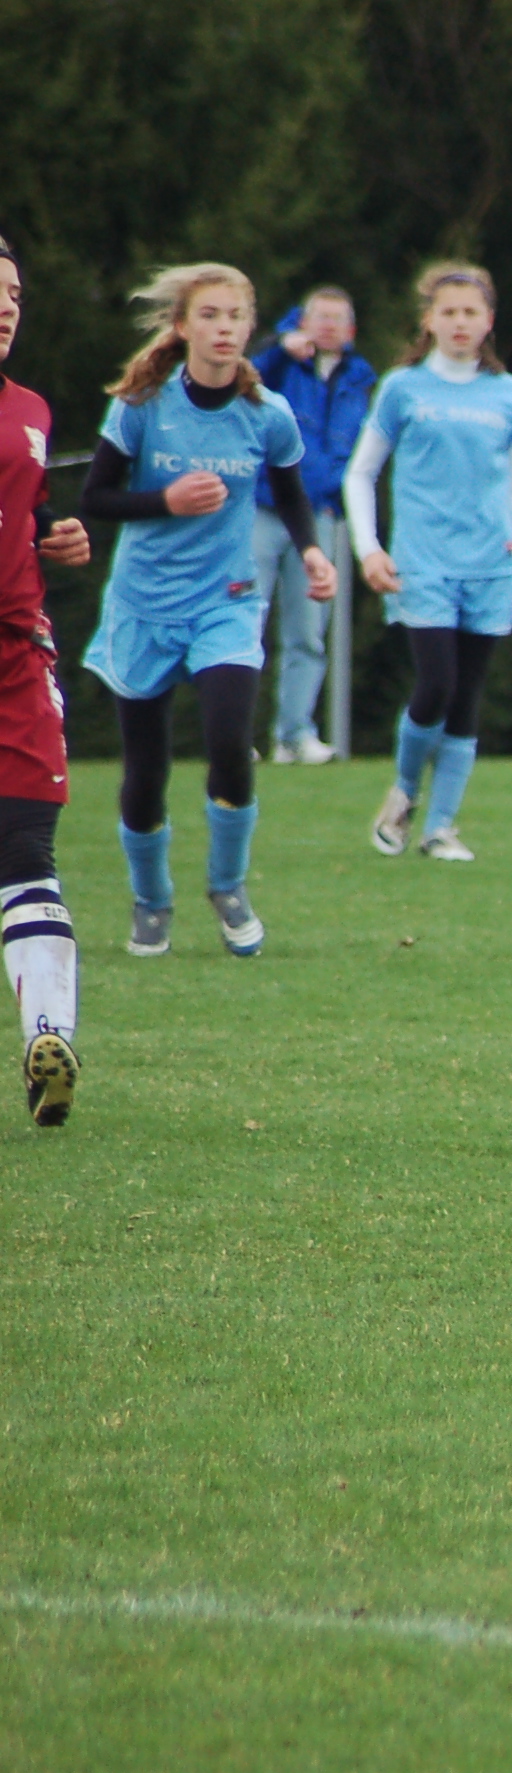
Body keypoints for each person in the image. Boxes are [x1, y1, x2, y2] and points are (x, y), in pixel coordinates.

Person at [76, 264, 336, 959]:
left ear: (251, 328)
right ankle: (150, 901)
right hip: (145, 604)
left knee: (229, 741)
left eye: (235, 316)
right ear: (183, 326)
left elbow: (292, 495)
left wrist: (312, 552)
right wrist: (166, 501)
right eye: (210, 315)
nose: (224, 328)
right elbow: (95, 498)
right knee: (146, 768)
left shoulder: (268, 414)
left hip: (226, 601)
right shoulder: (143, 405)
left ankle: (227, 886)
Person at [348, 262, 512, 862]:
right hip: (422, 562)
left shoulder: (510, 394)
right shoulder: (402, 387)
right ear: (428, 320)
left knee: (467, 694)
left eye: (470, 312)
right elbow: (361, 473)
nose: (459, 322)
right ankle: (404, 792)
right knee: (437, 684)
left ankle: (440, 829)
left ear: (489, 322)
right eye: (447, 311)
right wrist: (369, 549)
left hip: (493, 564)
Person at [0, 233, 96, 1123]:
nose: (6, 308)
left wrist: (56, 537)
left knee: (28, 850)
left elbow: (26, 517)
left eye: (16, 296)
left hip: (17, 659)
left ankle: (48, 1045)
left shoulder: (30, 409)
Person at [250, 286, 374, 763]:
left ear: (351, 329)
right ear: (302, 321)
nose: (328, 325)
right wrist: (280, 349)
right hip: (263, 508)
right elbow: (243, 383)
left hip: (319, 514)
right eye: (319, 316)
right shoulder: (277, 363)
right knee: (245, 622)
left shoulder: (360, 378)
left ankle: (294, 735)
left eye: (337, 318)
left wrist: (336, 499)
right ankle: (236, 735)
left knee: (308, 632)